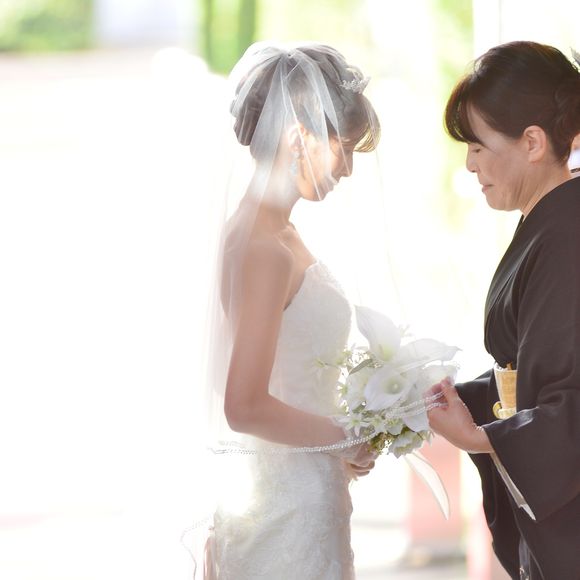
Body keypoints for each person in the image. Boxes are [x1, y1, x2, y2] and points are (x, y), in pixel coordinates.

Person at [199, 42, 381, 579]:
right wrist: (345, 435)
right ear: (299, 138)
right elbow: (243, 406)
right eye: (343, 148)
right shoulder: (264, 248)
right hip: (287, 511)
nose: (348, 169)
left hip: (302, 489)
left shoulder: (272, 231)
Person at [428, 41, 580, 579]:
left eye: (479, 145)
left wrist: (481, 437)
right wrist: (462, 401)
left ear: (533, 142)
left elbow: (570, 395)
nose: (470, 163)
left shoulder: (567, 233)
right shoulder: (551, 221)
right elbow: (531, 372)